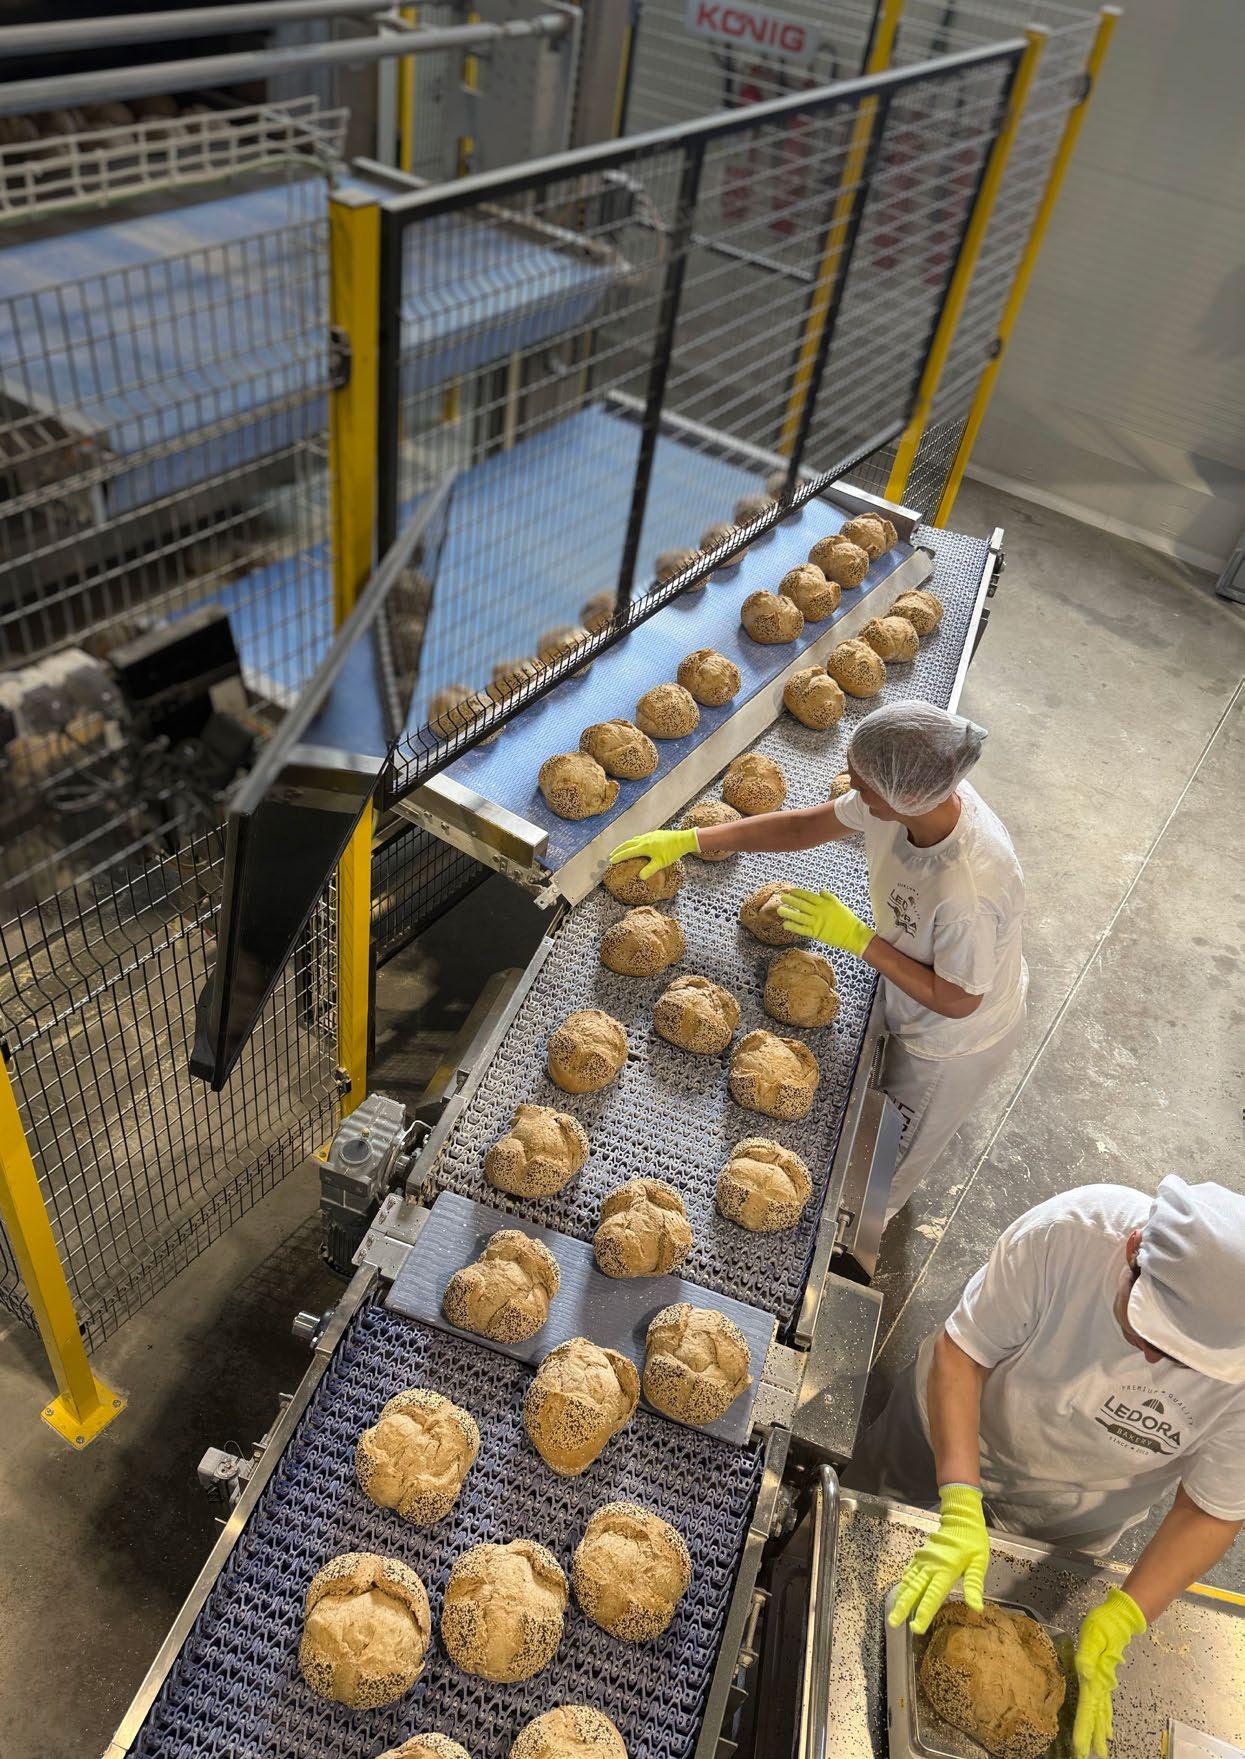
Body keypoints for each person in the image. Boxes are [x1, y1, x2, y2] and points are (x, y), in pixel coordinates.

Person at [861, 1178, 1245, 1758]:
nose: (1152, 1360)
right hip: (951, 1433)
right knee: (864, 1542)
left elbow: (1212, 1509)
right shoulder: (1067, 1236)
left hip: (1071, 1520)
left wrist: (1128, 1611)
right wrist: (960, 1498)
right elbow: (963, 1355)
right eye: (1149, 1331)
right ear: (1132, 1250)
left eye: (1182, 1361)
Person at [608, 700, 1027, 1223]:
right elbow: (801, 829)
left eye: (862, 786)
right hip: (907, 976)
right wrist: (693, 839)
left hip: (951, 1041)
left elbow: (959, 998)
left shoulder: (969, 888)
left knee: (891, 1155)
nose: (853, 790)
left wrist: (857, 939)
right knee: (866, 1097)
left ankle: (859, 1230)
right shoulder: (907, 799)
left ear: (904, 798)